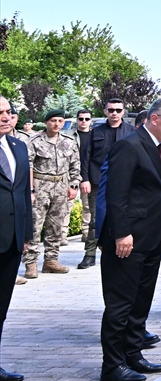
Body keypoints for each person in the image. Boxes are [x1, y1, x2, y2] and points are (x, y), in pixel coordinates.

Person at [97, 95, 161, 381]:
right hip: (127, 240)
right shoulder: (129, 146)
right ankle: (112, 365)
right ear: (155, 118)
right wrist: (122, 233)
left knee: (140, 302)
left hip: (152, 239)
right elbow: (116, 194)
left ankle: (133, 354)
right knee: (121, 304)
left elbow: (160, 194)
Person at [23, 109, 81, 278]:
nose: (57, 124)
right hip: (40, 185)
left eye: (60, 121)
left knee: (56, 225)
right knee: (35, 225)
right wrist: (30, 190)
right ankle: (31, 263)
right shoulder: (34, 141)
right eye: (53, 120)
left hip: (61, 186)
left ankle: (51, 260)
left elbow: (75, 165)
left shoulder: (69, 142)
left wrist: (74, 186)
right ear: (46, 122)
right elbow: (28, 166)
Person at [0, 97, 34, 381]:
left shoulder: (18, 146)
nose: (5, 117)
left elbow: (23, 193)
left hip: (11, 239)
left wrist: (26, 234)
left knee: (1, 306)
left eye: (8, 112)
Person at [83, 99, 135, 268]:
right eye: (111, 110)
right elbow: (86, 157)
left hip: (124, 183)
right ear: (105, 111)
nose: (114, 113)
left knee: (124, 216)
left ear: (123, 112)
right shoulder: (95, 132)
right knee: (95, 219)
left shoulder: (130, 131)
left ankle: (121, 249)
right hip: (98, 181)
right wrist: (85, 179)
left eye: (118, 110)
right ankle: (90, 254)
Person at [70, 110, 94, 254]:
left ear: (90, 120)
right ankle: (62, 234)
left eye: (86, 119)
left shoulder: (94, 135)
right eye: (81, 119)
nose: (83, 121)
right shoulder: (69, 135)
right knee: (66, 205)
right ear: (77, 120)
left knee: (87, 205)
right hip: (71, 173)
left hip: (87, 174)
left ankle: (85, 232)